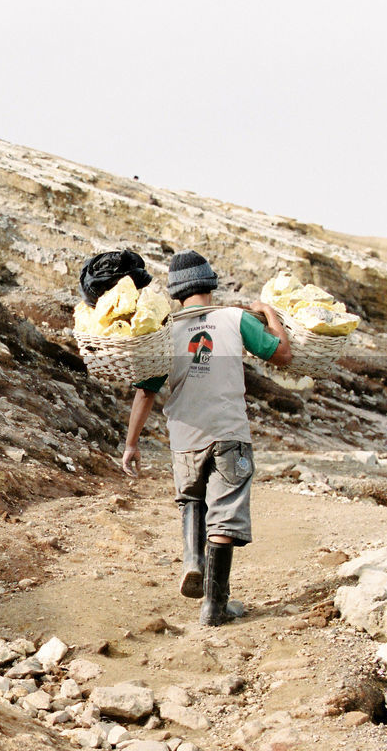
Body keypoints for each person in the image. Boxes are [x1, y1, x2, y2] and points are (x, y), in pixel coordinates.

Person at [121, 250, 292, 626]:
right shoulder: (236, 319)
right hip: (229, 433)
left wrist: (131, 444)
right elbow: (282, 354)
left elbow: (145, 392)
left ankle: (192, 560)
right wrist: (271, 314)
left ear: (178, 292)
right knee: (225, 514)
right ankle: (215, 606)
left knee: (191, 500)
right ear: (210, 285)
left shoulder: (163, 331)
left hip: (185, 438)